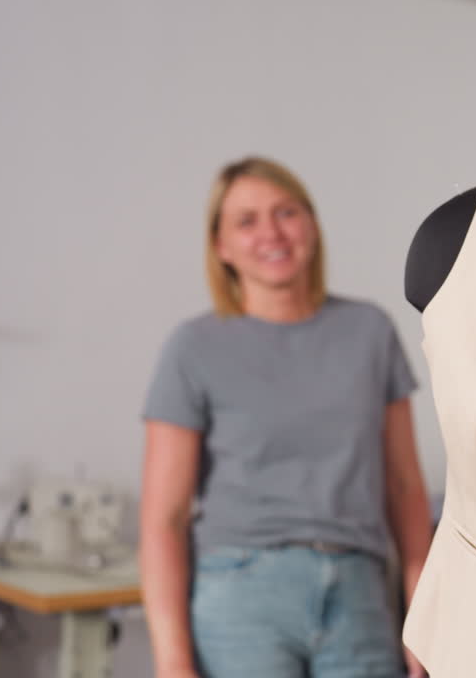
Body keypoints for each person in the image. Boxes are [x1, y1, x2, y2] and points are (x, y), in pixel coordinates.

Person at [139, 157, 431, 678]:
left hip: (359, 594)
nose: (271, 232)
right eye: (246, 221)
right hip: (239, 595)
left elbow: (407, 488)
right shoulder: (194, 347)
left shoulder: (370, 332)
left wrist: (428, 618)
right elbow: (165, 518)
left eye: (286, 212)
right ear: (221, 247)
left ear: (312, 225)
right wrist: (171, 661)